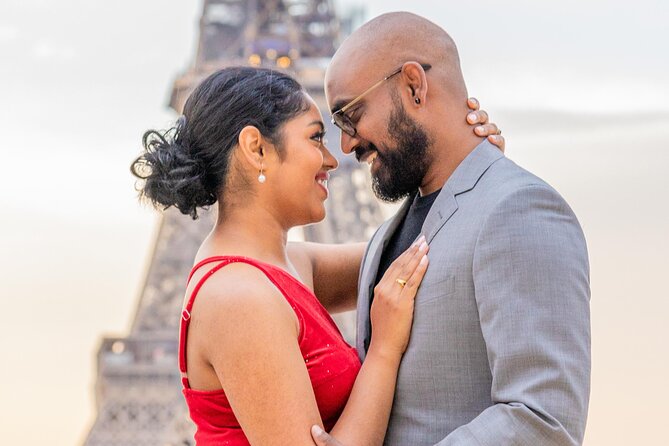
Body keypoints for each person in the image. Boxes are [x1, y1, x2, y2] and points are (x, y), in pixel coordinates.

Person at [131, 66, 504, 445]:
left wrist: (462, 166)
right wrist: (385, 348)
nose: (331, 158)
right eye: (316, 138)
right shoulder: (239, 297)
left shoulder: (287, 266)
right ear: (256, 148)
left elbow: (421, 252)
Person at [312, 11, 591, 446]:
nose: (345, 144)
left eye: (350, 115)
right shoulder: (391, 237)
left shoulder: (519, 209)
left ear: (413, 85)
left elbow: (543, 421)